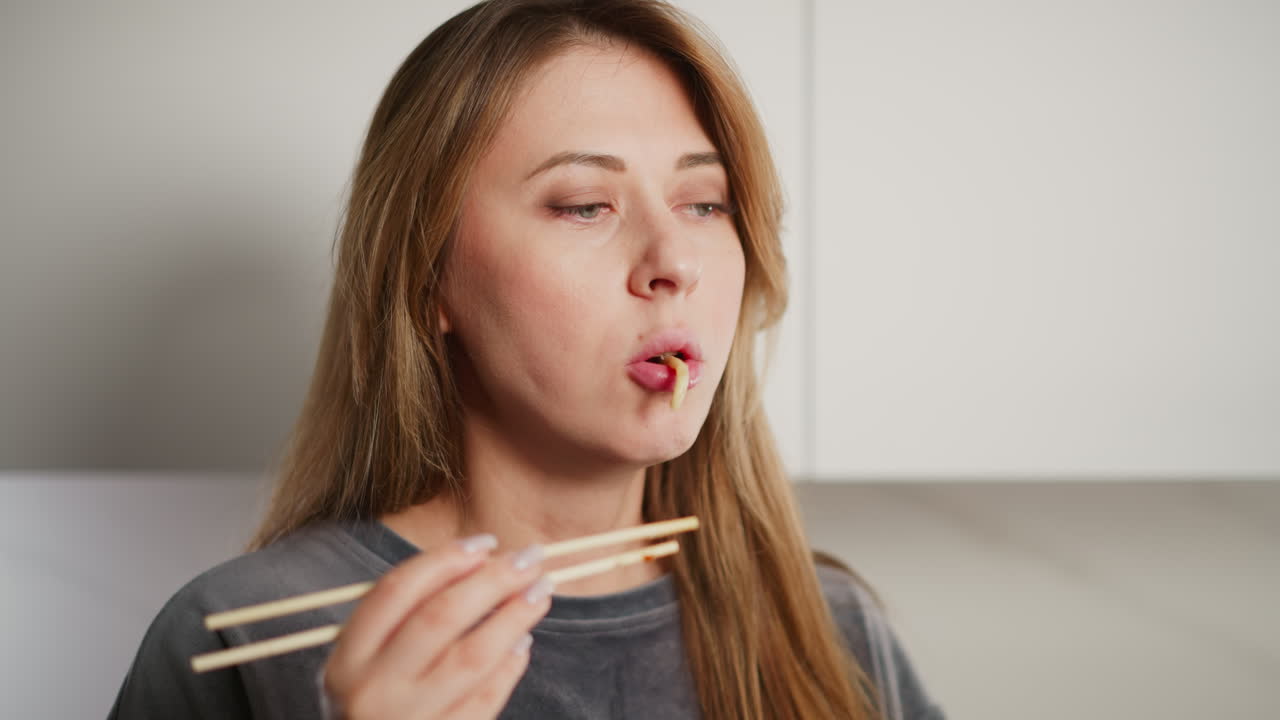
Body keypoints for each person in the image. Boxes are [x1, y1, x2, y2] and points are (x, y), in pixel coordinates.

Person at [108, 1, 945, 718]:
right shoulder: (241, 631)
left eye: (704, 202)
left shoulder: (827, 629)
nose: (675, 260)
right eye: (585, 206)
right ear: (429, 278)